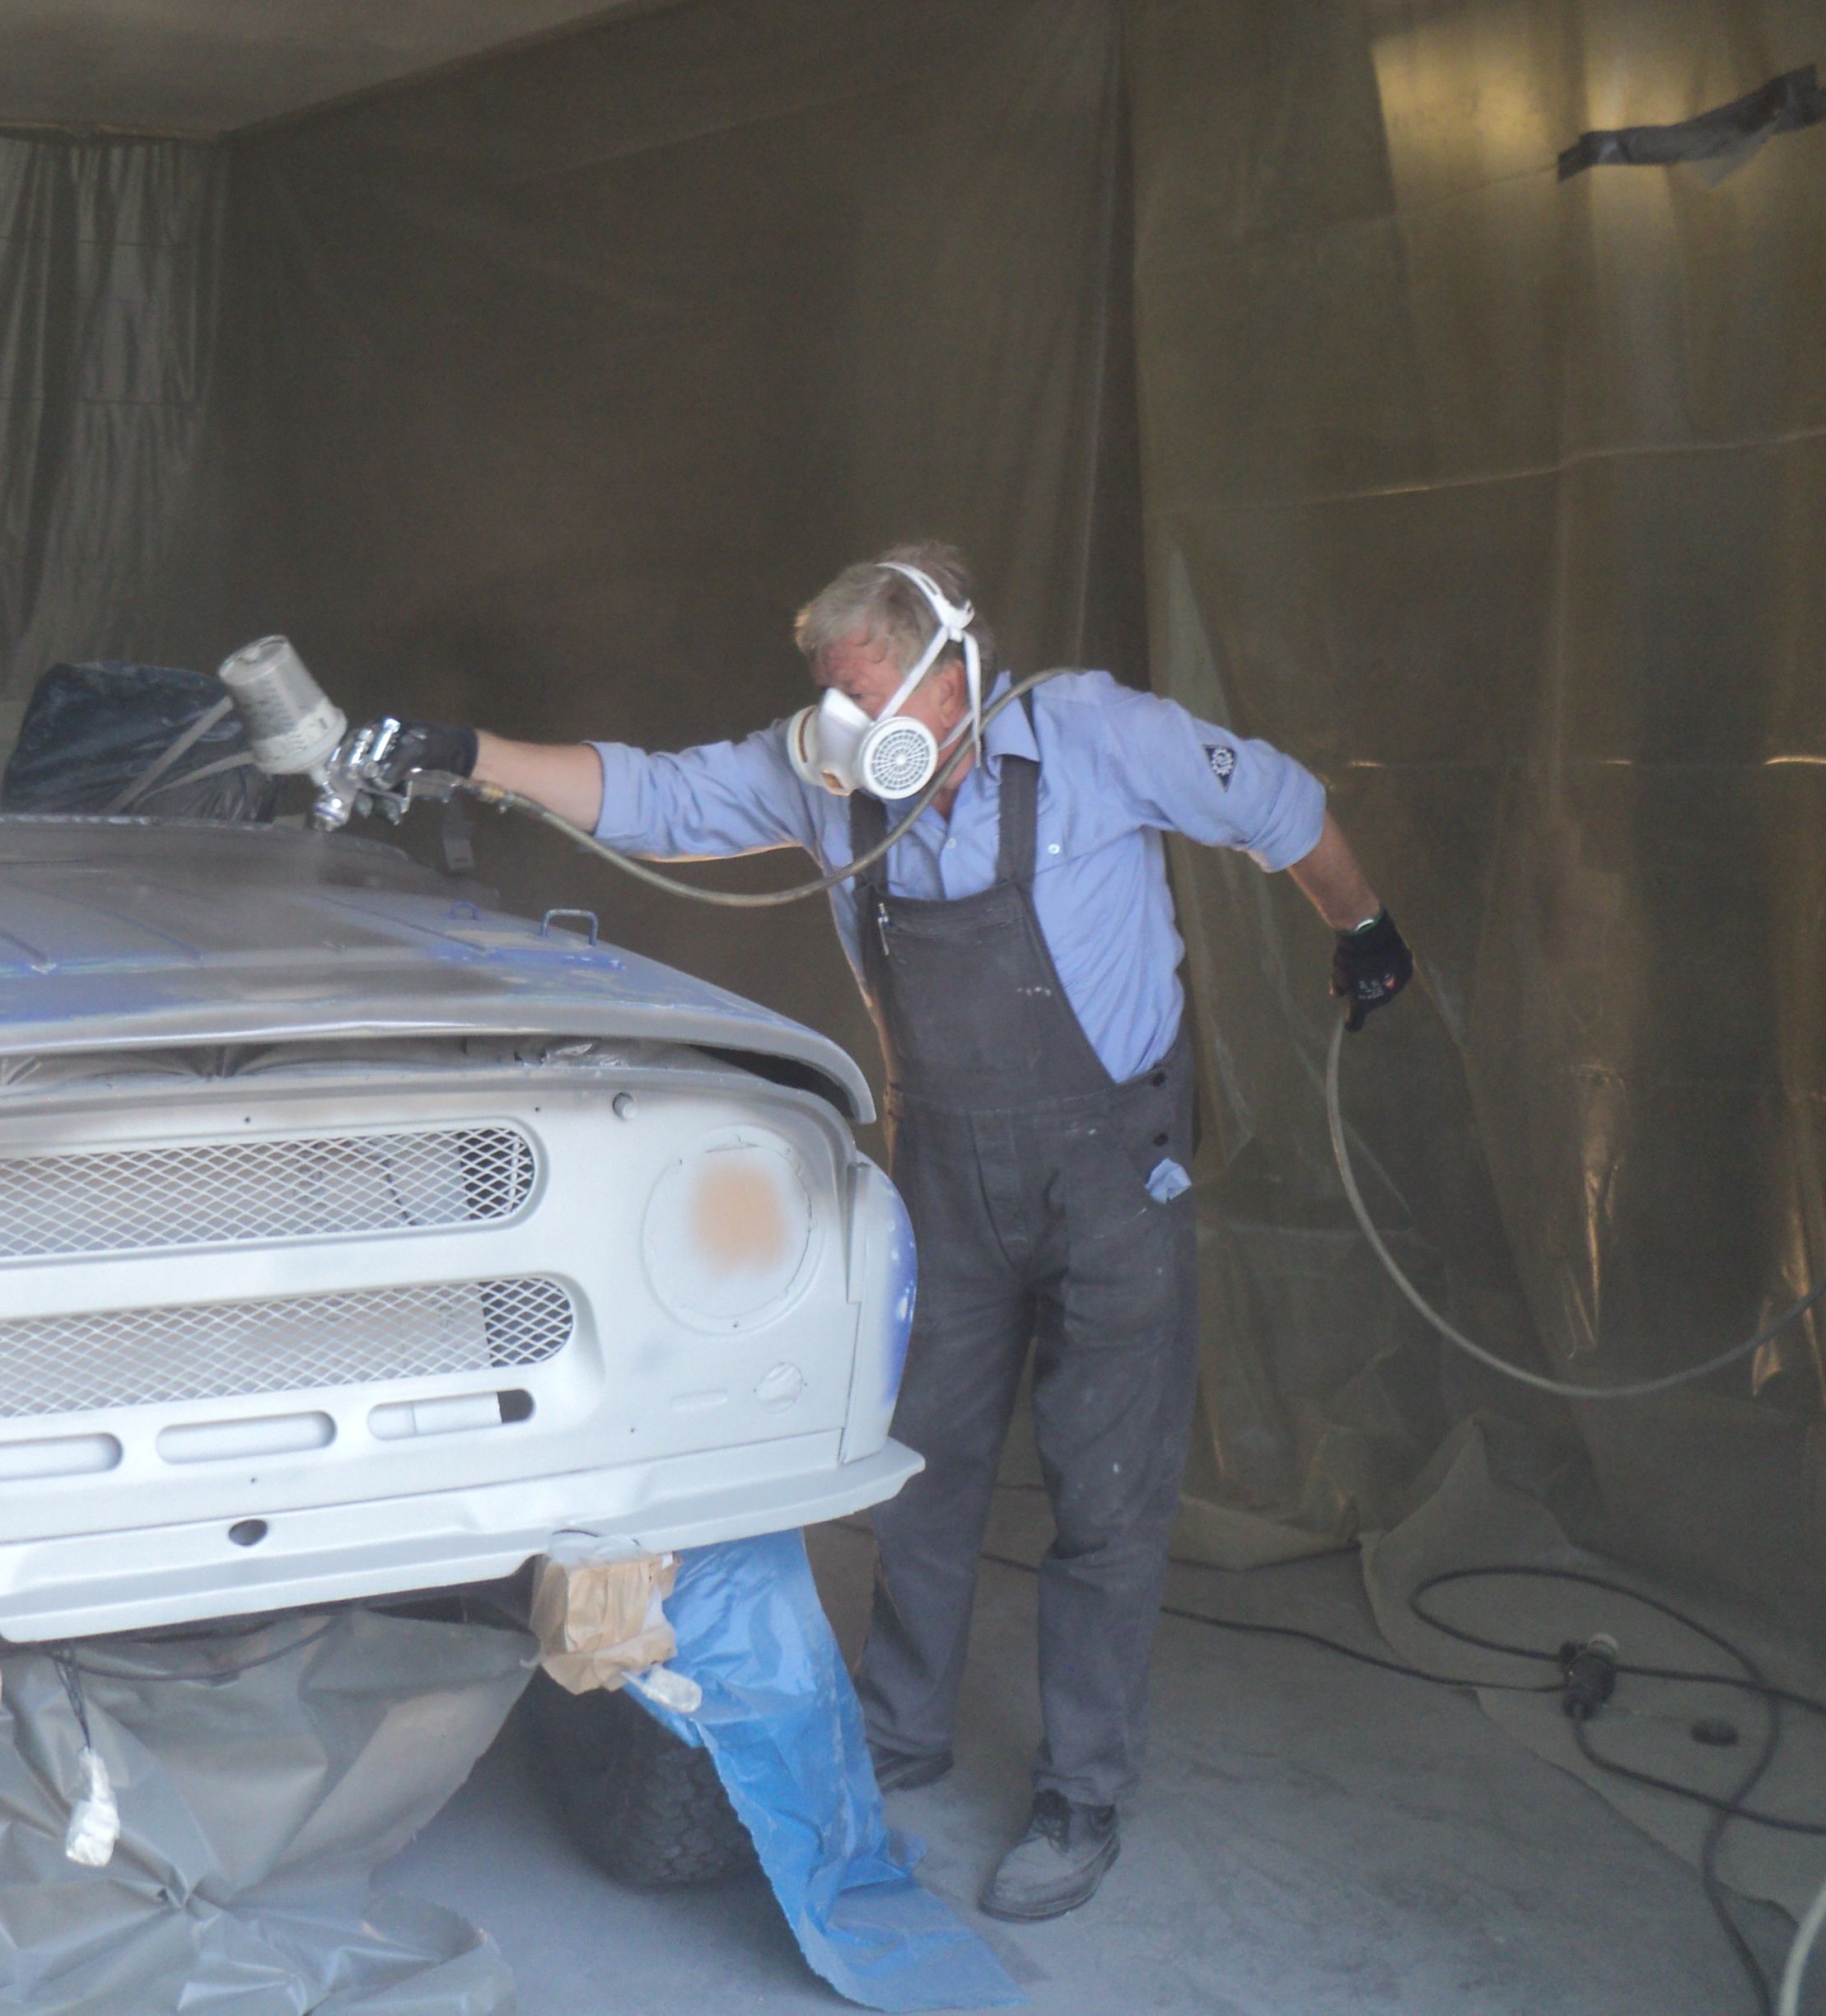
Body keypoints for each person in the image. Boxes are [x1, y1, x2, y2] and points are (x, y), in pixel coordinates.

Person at [364, 541, 1413, 1922]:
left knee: (1107, 1490)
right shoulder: (821, 777)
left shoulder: (1099, 738)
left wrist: (1361, 923)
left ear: (956, 672)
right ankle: (901, 1730)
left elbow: (1282, 808)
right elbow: (652, 795)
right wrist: (471, 753)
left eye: (868, 696)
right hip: (946, 1171)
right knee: (921, 1465)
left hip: (1115, 1171)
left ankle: (1082, 1792)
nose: (845, 727)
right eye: (831, 697)